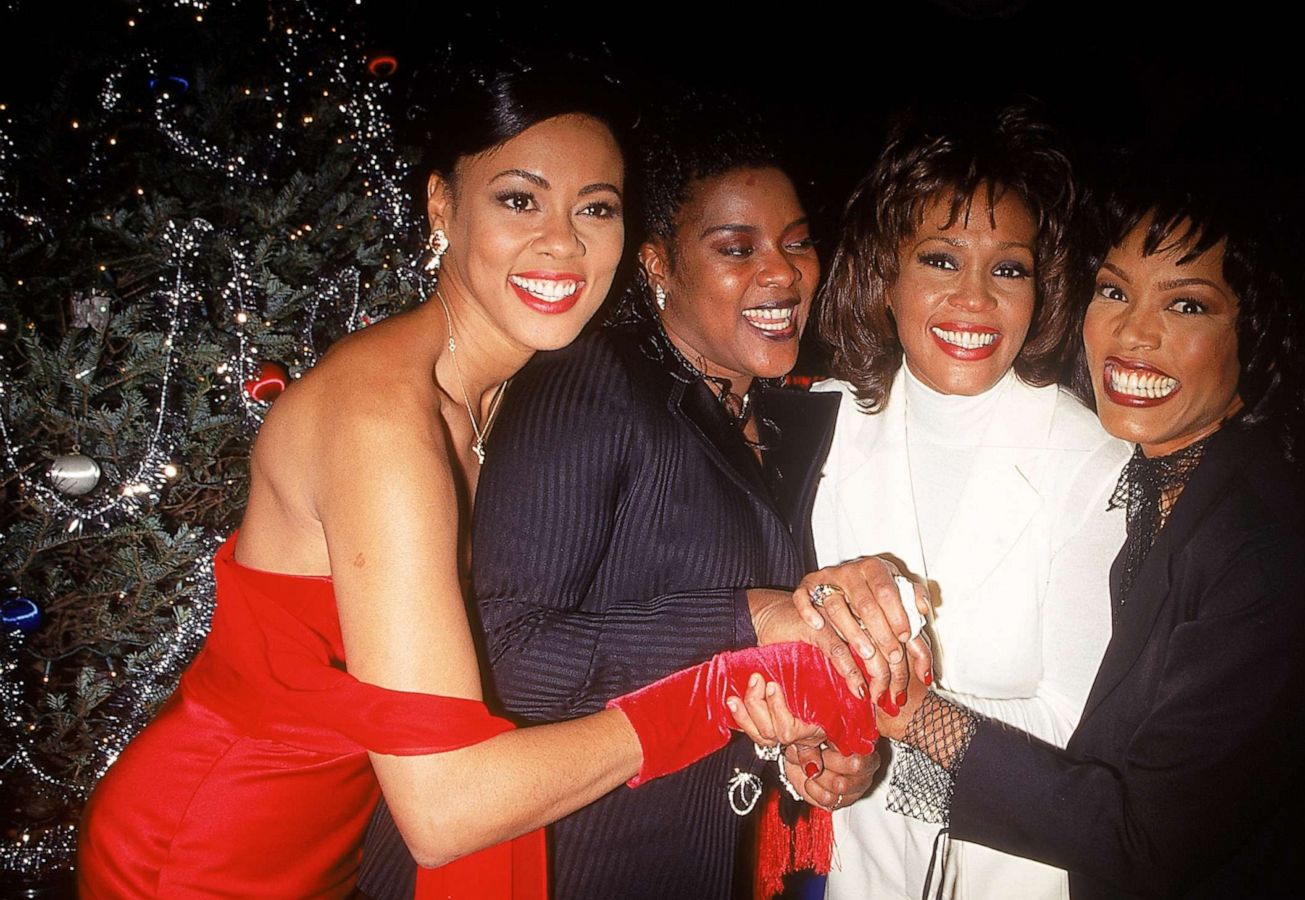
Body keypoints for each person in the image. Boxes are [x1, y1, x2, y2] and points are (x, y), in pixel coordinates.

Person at [74, 68, 877, 900]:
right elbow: (447, 809)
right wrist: (713, 685)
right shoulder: (383, 420)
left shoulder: (497, 398)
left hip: (339, 835)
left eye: (594, 207)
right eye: (519, 200)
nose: (563, 243)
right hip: (215, 846)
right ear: (441, 207)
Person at [358, 94, 930, 900]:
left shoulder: (781, 419)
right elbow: (508, 655)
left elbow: (732, 674)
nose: (783, 273)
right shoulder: (592, 385)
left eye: (797, 244)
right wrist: (748, 616)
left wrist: (828, 742)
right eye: (737, 248)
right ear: (659, 264)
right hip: (553, 867)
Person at [874, 185, 1305, 900]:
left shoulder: (1265, 559)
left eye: (1186, 305)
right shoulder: (1154, 495)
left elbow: (1142, 841)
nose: (1134, 334)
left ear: (1258, 336)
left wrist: (909, 714)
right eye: (1114, 291)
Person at [796, 105, 1130, 898]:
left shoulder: (1095, 465)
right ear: (886, 275)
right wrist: (808, 750)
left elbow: (1081, 741)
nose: (974, 298)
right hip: (861, 876)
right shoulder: (821, 430)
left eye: (1008, 268)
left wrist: (886, 716)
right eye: (942, 260)